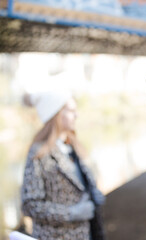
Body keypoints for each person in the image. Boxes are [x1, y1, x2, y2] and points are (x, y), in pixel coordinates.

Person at [21, 90, 106, 240]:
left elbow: (79, 187)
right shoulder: (39, 153)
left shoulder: (73, 146)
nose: (77, 115)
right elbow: (30, 204)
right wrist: (71, 213)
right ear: (57, 114)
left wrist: (94, 194)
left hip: (86, 234)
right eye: (71, 110)